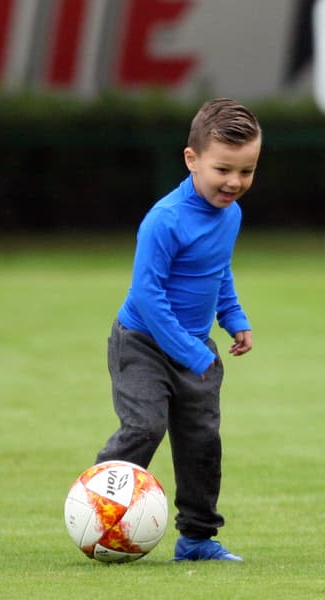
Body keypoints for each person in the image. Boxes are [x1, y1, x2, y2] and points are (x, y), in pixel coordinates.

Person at [94, 97, 262, 563]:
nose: (234, 182)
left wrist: (234, 317)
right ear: (192, 159)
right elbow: (147, 297)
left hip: (194, 348)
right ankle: (97, 511)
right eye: (223, 169)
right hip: (141, 344)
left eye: (246, 171)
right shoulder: (165, 220)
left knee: (202, 442)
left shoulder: (230, 214)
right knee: (144, 427)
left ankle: (197, 540)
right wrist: (191, 353)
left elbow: (217, 270)